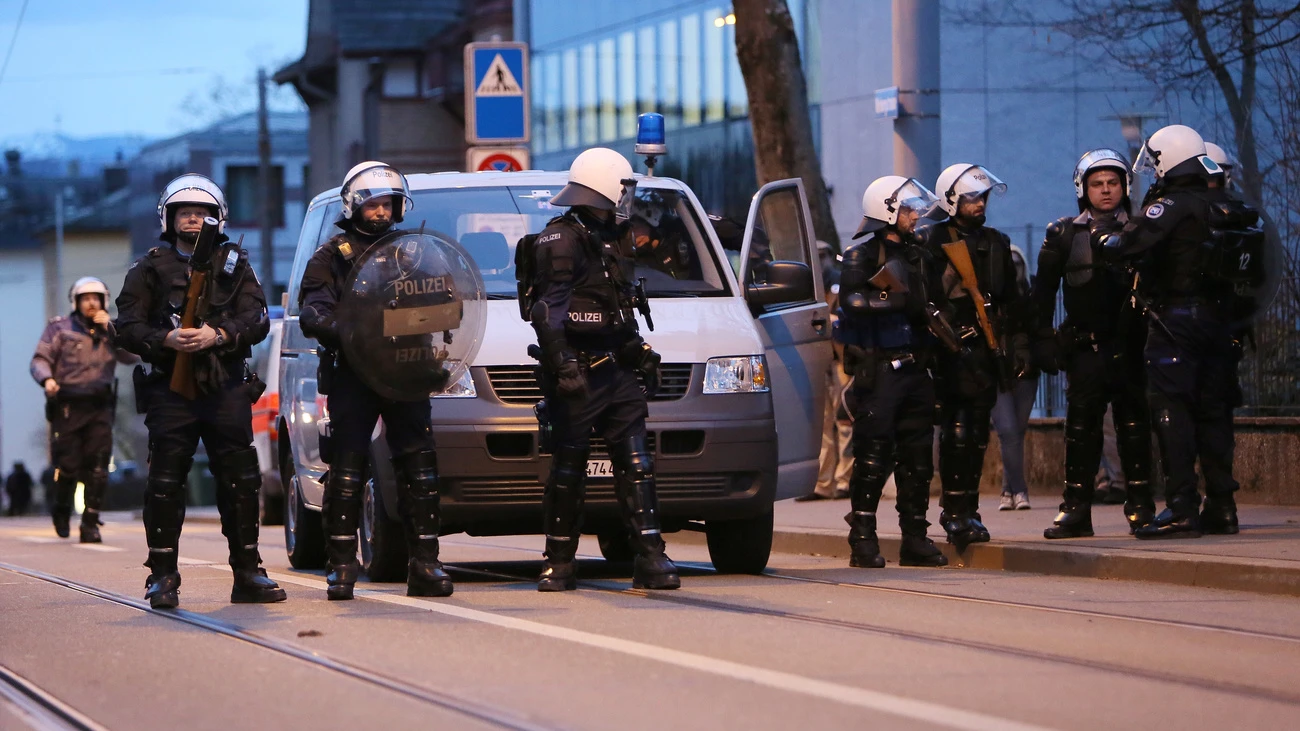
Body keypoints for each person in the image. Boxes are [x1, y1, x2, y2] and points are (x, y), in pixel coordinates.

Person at [115, 173, 286, 608]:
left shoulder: (237, 265)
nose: (193, 219)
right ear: (168, 219)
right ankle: (162, 575)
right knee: (165, 480)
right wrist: (165, 340)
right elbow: (127, 326)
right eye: (185, 213)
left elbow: (258, 319)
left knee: (241, 478)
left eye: (202, 213)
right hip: (170, 389)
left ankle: (248, 572)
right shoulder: (148, 268)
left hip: (225, 383)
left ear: (218, 218)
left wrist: (219, 335)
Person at [520, 147, 679, 591]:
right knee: (569, 469)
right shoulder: (561, 239)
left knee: (637, 464)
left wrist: (639, 352)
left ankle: (651, 556)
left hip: (617, 370)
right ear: (603, 187)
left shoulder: (615, 236)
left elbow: (617, 307)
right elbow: (547, 311)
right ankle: (559, 562)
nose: (627, 198)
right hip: (578, 371)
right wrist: (563, 365)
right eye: (622, 188)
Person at [298, 161, 455, 601]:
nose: (382, 212)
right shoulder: (331, 256)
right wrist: (354, 332)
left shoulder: (416, 252)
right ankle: (341, 567)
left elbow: (447, 304)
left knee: (420, 467)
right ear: (354, 206)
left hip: (408, 368)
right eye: (373, 205)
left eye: (389, 204)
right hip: (355, 372)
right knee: (347, 469)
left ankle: (425, 564)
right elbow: (314, 313)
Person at [1105, 124, 1251, 539]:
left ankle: (1182, 507)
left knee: (1172, 411)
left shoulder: (1171, 205)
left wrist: (1101, 239)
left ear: (1168, 160)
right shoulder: (1227, 205)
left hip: (1177, 322)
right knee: (1214, 412)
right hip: (1220, 324)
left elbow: (1129, 246)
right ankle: (1222, 506)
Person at [1033, 148, 1156, 538]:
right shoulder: (1065, 234)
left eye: (1113, 182)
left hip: (1131, 347)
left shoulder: (1142, 229)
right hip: (1085, 347)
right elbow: (1042, 294)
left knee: (1134, 428)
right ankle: (1075, 510)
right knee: (1081, 430)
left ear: (1125, 185)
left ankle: (1141, 507)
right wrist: (1041, 340)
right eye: (1097, 183)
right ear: (1082, 189)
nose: (1106, 190)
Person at [834, 175, 951, 569]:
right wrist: (894, 300)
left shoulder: (921, 254)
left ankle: (914, 538)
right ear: (886, 211)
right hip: (880, 369)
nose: (915, 216)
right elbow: (851, 301)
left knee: (918, 459)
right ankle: (862, 539)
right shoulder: (862, 255)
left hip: (917, 367)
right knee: (872, 456)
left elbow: (936, 301)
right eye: (907, 209)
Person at [927, 163, 1030, 550]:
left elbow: (1013, 303)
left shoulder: (997, 243)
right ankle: (954, 511)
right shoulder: (932, 242)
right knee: (957, 431)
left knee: (977, 434)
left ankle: (969, 509)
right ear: (952, 199)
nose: (980, 203)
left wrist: (1018, 346)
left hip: (987, 351)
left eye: (983, 197)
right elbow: (926, 299)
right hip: (949, 352)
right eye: (972, 197)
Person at [30, 277, 129, 541]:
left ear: (104, 301)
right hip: (68, 404)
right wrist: (47, 380)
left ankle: (90, 523)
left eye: (96, 298)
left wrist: (113, 330)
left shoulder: (113, 329)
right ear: (76, 302)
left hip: (100, 405)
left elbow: (132, 356)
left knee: (98, 466)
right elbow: (39, 360)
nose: (91, 303)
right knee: (69, 465)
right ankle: (62, 509)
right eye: (86, 298)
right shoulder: (59, 328)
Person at [802, 240, 852, 501]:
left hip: (842, 358)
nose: (820, 261)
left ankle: (845, 480)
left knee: (845, 420)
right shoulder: (807, 287)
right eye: (816, 256)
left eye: (823, 255)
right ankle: (822, 483)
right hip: (819, 360)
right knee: (822, 425)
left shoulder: (842, 283)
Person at [992, 246, 1038, 511]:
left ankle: (1008, 490)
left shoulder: (1031, 295)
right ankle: (1020, 490)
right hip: (998, 370)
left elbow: (1038, 329)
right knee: (1008, 431)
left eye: (1018, 264)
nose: (1014, 269)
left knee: (1016, 432)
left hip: (1026, 370)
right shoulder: (990, 296)